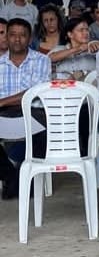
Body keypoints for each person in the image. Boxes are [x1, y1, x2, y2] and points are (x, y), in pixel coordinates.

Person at [0, 18, 51, 199]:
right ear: (7, 37)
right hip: (4, 114)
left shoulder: (42, 60)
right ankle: (11, 175)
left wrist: (3, 101)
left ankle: (24, 177)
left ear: (30, 39)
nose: (17, 39)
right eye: (12, 34)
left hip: (34, 113)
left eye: (22, 35)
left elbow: (35, 92)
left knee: (45, 132)